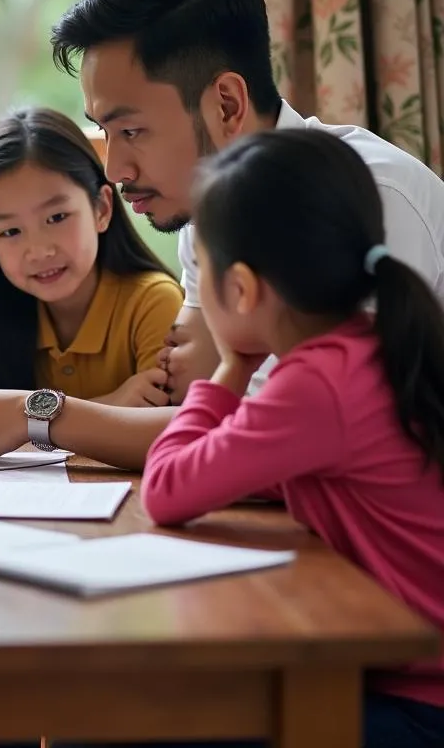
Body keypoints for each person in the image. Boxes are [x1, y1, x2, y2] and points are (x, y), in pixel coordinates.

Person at [48, 0, 444, 446]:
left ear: (227, 105)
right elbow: (195, 401)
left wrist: (38, 417)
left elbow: (285, 440)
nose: (115, 168)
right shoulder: (211, 211)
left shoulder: (368, 201)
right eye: (105, 134)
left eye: (130, 131)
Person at [142, 129, 444, 748]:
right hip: (405, 676)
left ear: (243, 289)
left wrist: (229, 367)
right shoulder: (370, 348)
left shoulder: (316, 387)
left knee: (144, 719)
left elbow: (168, 489)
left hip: (415, 701)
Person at [0, 107, 182, 462]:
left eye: (57, 217)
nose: (39, 250)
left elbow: (173, 430)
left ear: (102, 209)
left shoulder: (152, 301)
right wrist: (104, 409)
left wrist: (18, 420)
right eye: (10, 231)